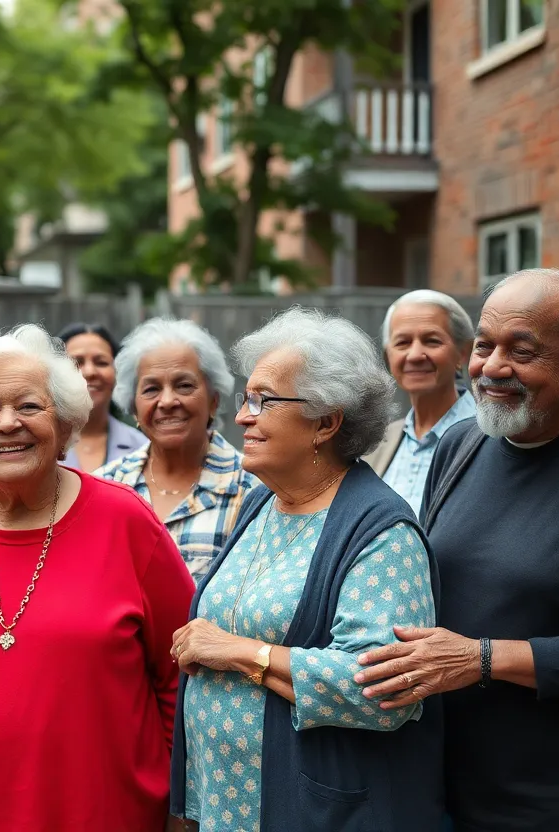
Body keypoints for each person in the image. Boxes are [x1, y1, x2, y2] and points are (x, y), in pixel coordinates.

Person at [0, 324, 195, 831]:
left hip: (104, 810)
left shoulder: (126, 521)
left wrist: (156, 775)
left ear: (65, 427)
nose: (7, 424)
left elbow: (183, 666)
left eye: (29, 406)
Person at [168, 307, 443, 832]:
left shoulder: (381, 532)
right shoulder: (263, 504)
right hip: (229, 808)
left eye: (263, 401)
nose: (243, 417)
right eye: (246, 399)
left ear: (326, 421)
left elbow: (383, 690)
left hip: (314, 810)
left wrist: (241, 652)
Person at [356, 269, 559, 831]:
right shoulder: (464, 444)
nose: (492, 367)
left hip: (555, 803)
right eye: (485, 346)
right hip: (438, 791)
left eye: (523, 350)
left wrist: (482, 658)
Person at [98, 318, 256, 583]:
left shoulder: (253, 491)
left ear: (214, 401)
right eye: (151, 389)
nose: (168, 401)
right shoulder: (105, 487)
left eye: (184, 385)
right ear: (133, 407)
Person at [365, 290, 476, 516]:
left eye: (431, 341)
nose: (415, 355)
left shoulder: (488, 438)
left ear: (462, 354)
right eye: (403, 343)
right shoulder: (376, 442)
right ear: (389, 357)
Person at [55, 322, 146, 471]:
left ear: (118, 373)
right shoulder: (37, 444)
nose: (90, 372)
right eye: (76, 362)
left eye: (101, 362)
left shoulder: (142, 447)